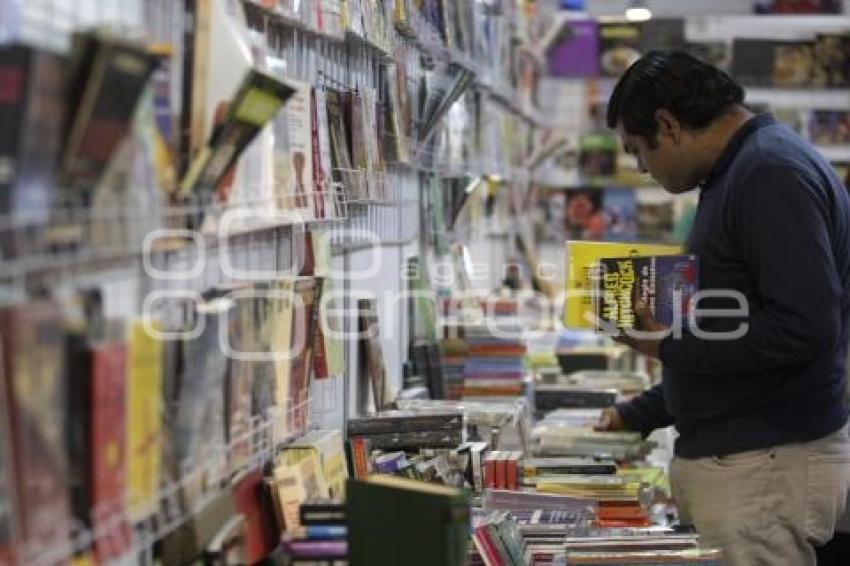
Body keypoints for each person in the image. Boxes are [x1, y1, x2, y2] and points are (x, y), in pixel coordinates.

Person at [597, 50, 850, 566]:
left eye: (638, 150)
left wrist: (667, 343)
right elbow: (729, 326)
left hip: (762, 468)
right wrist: (645, 410)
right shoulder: (739, 171)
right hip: (748, 462)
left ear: (667, 125)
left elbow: (802, 329)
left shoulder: (768, 173)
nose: (642, 168)